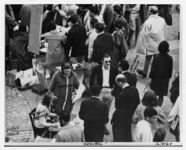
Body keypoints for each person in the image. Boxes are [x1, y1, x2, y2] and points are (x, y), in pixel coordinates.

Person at [136, 5, 167, 78]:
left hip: (149, 45)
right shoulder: (162, 20)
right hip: (159, 44)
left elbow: (143, 35)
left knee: (148, 60)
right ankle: (154, 74)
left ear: (150, 12)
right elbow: (165, 31)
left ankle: (145, 73)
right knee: (157, 61)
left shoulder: (148, 22)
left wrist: (142, 46)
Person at [111, 74, 140, 142]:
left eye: (118, 84)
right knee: (127, 136)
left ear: (120, 82)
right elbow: (137, 102)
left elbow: (117, 107)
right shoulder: (135, 90)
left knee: (118, 137)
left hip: (120, 119)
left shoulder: (120, 95)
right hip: (130, 116)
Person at [149, 41, 173, 106]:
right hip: (164, 80)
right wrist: (168, 77)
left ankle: (153, 106)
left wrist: (150, 76)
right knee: (161, 96)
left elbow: (153, 68)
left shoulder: (156, 57)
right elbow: (170, 69)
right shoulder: (170, 58)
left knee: (153, 94)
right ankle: (158, 107)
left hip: (156, 79)